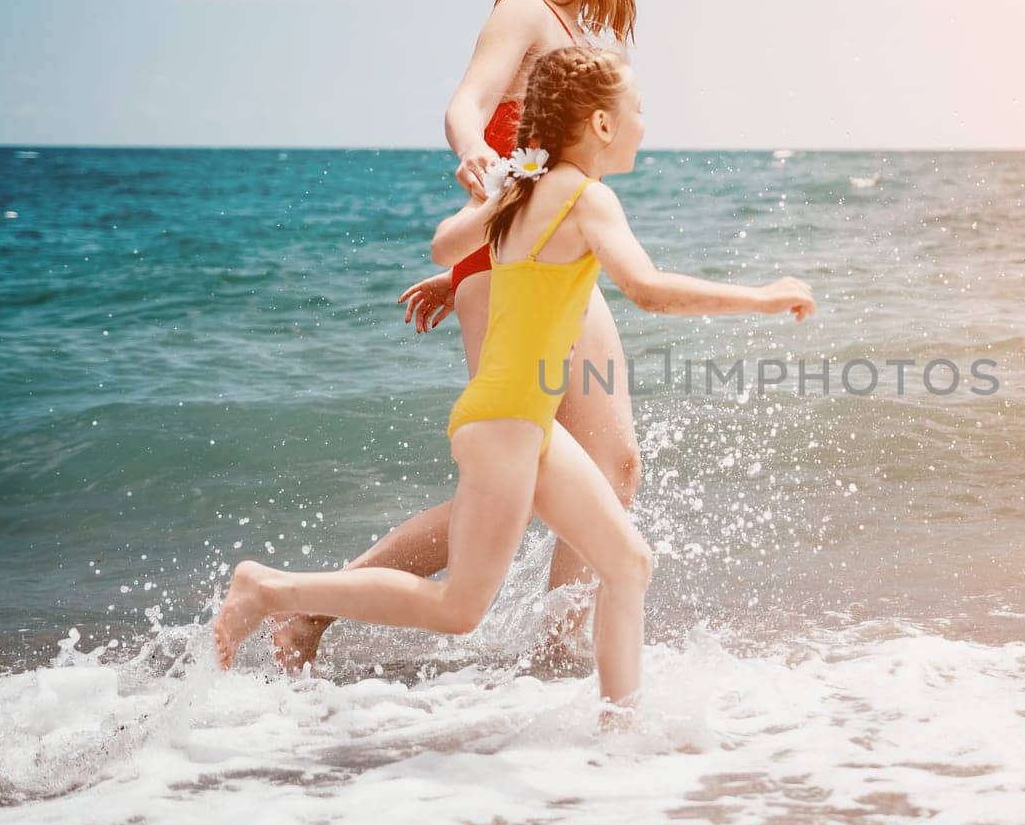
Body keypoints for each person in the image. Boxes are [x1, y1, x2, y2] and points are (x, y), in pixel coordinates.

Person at [214, 46, 816, 717]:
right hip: (506, 423)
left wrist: (504, 190)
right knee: (458, 609)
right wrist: (762, 298)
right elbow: (647, 291)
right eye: (636, 111)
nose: (645, 124)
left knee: (627, 564)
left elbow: (447, 246)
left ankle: (623, 733)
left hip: (518, 420)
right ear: (602, 125)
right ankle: (272, 591)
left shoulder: (528, 191)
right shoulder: (589, 198)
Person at [270, 0, 654, 671]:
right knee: (516, 484)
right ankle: (311, 604)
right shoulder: (524, 10)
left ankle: (558, 648)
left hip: (535, 261)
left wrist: (470, 266)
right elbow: (468, 105)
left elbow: (545, 175)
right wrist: (475, 155)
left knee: (610, 464)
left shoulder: (573, 33)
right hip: (511, 270)